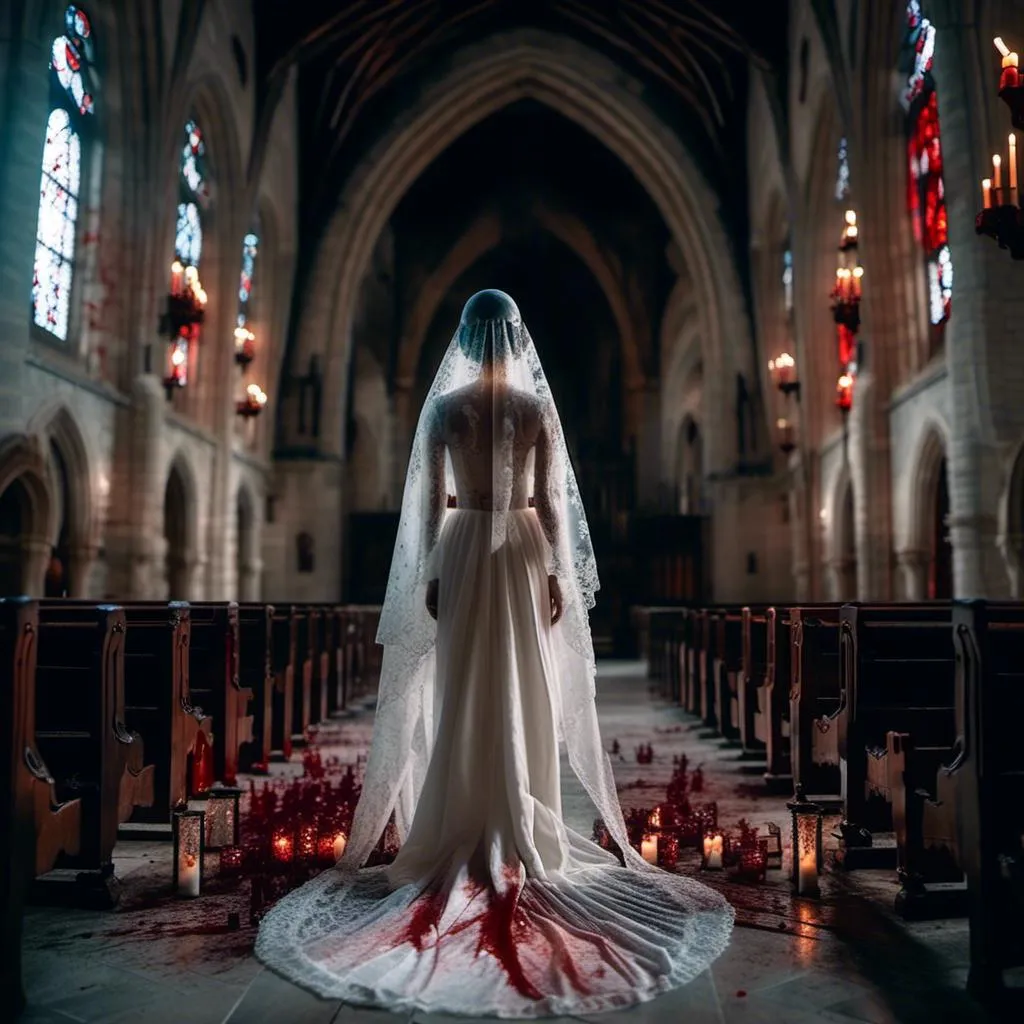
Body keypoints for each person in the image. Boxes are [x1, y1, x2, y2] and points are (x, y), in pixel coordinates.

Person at [256, 290, 732, 1017]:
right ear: (513, 341)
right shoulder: (535, 409)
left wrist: (434, 574)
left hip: (464, 551)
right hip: (516, 554)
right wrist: (553, 575)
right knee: (522, 683)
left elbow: (427, 507)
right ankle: (519, 807)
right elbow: (546, 502)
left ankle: (459, 813)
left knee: (463, 685)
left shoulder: (444, 412)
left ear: (466, 343)